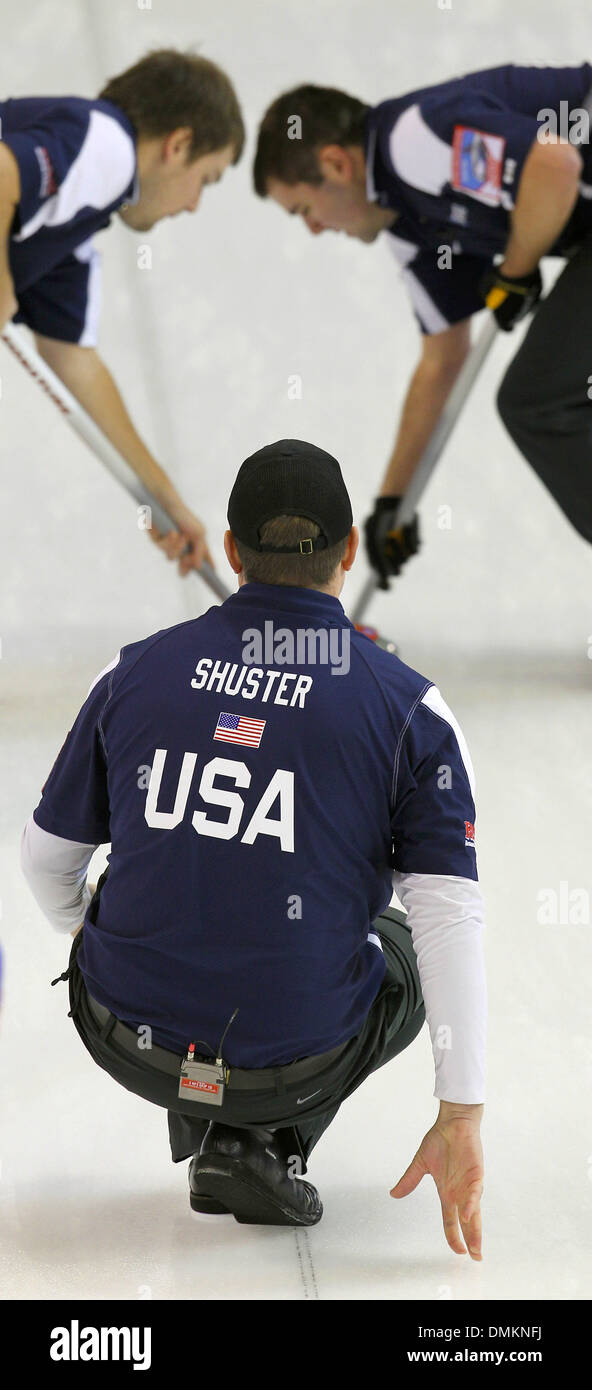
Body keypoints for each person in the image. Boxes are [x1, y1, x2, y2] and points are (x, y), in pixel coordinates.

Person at [21, 439, 486, 1253]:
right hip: (294, 1061)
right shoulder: (410, 711)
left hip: (120, 1033)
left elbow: (44, 861)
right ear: (348, 553)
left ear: (232, 551)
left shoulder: (134, 671)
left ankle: (215, 1116)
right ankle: (270, 1137)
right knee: (402, 942)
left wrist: (101, 931)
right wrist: (462, 1111)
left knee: (182, 886)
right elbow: (449, 917)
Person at [253, 64, 592, 587]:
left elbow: (554, 163)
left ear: (336, 163)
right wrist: (394, 501)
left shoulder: (411, 141)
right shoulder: (409, 227)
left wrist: (516, 271)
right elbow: (441, 361)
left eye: (305, 209)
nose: (314, 229)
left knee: (538, 401)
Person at [0, 48, 245, 573]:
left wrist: (161, 498)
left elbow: (76, 364)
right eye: (207, 178)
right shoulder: (106, 142)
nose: (193, 205)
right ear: (177, 145)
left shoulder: (77, 231)